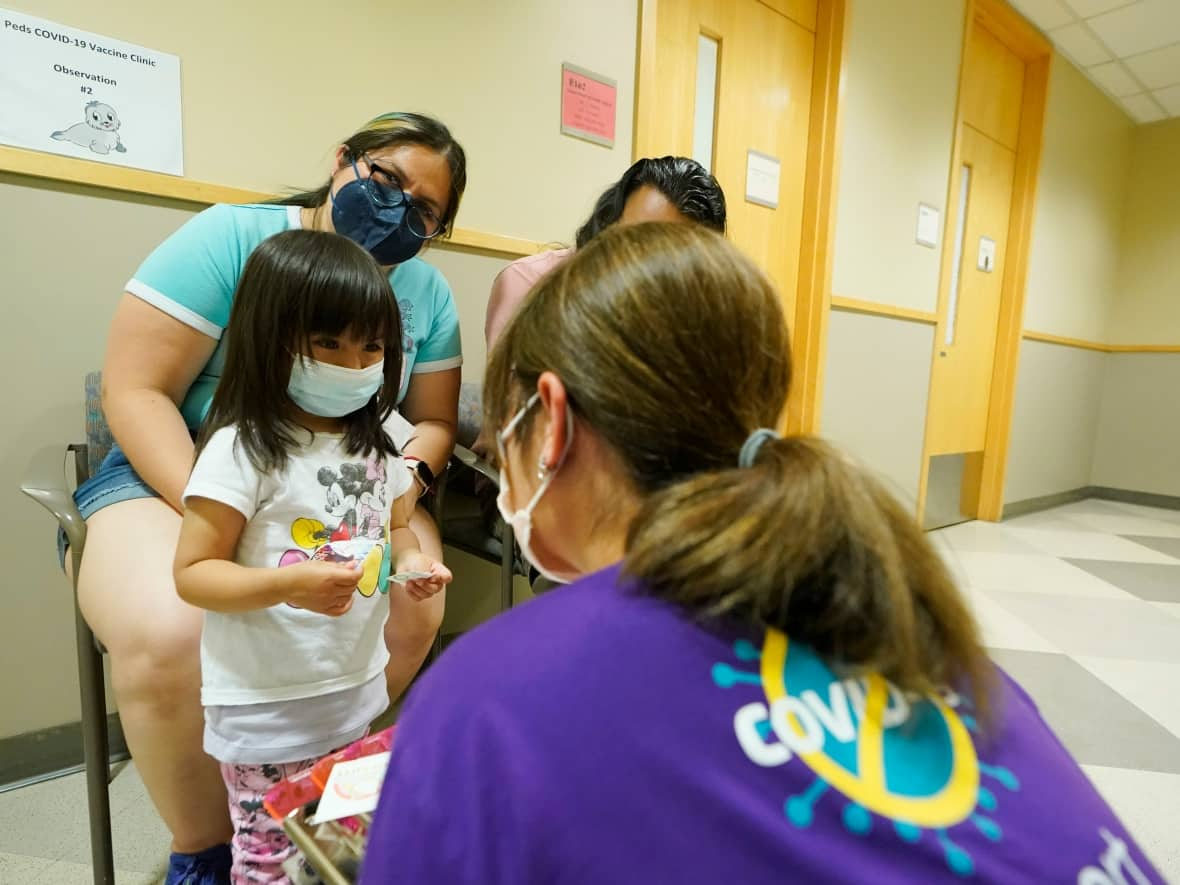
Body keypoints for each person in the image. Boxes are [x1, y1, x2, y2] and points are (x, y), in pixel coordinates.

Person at [361, 223, 1162, 884]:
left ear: (554, 421)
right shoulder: (926, 641)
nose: (506, 465)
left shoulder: (492, 701)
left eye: (509, 435)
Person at [72, 112, 466, 883]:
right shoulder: (232, 238)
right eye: (385, 180)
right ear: (343, 160)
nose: (398, 209)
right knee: (170, 627)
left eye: (424, 210)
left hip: (348, 468)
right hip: (192, 466)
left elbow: (432, 422)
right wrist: (231, 508)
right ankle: (207, 848)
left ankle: (314, 783)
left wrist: (401, 488)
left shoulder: (424, 290)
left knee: (413, 602)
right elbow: (136, 387)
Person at [173, 229, 451, 884]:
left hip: (352, 694)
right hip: (266, 708)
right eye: (328, 342)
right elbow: (192, 572)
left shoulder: (380, 443)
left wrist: (412, 569)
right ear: (273, 336)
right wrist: (286, 586)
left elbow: (399, 532)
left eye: (372, 346)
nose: (352, 365)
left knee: (330, 846)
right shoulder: (243, 448)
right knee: (267, 859)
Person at [483, 155, 726, 348]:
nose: (640, 261)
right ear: (609, 218)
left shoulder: (690, 316)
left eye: (666, 257)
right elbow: (514, 405)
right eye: (632, 237)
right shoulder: (527, 285)